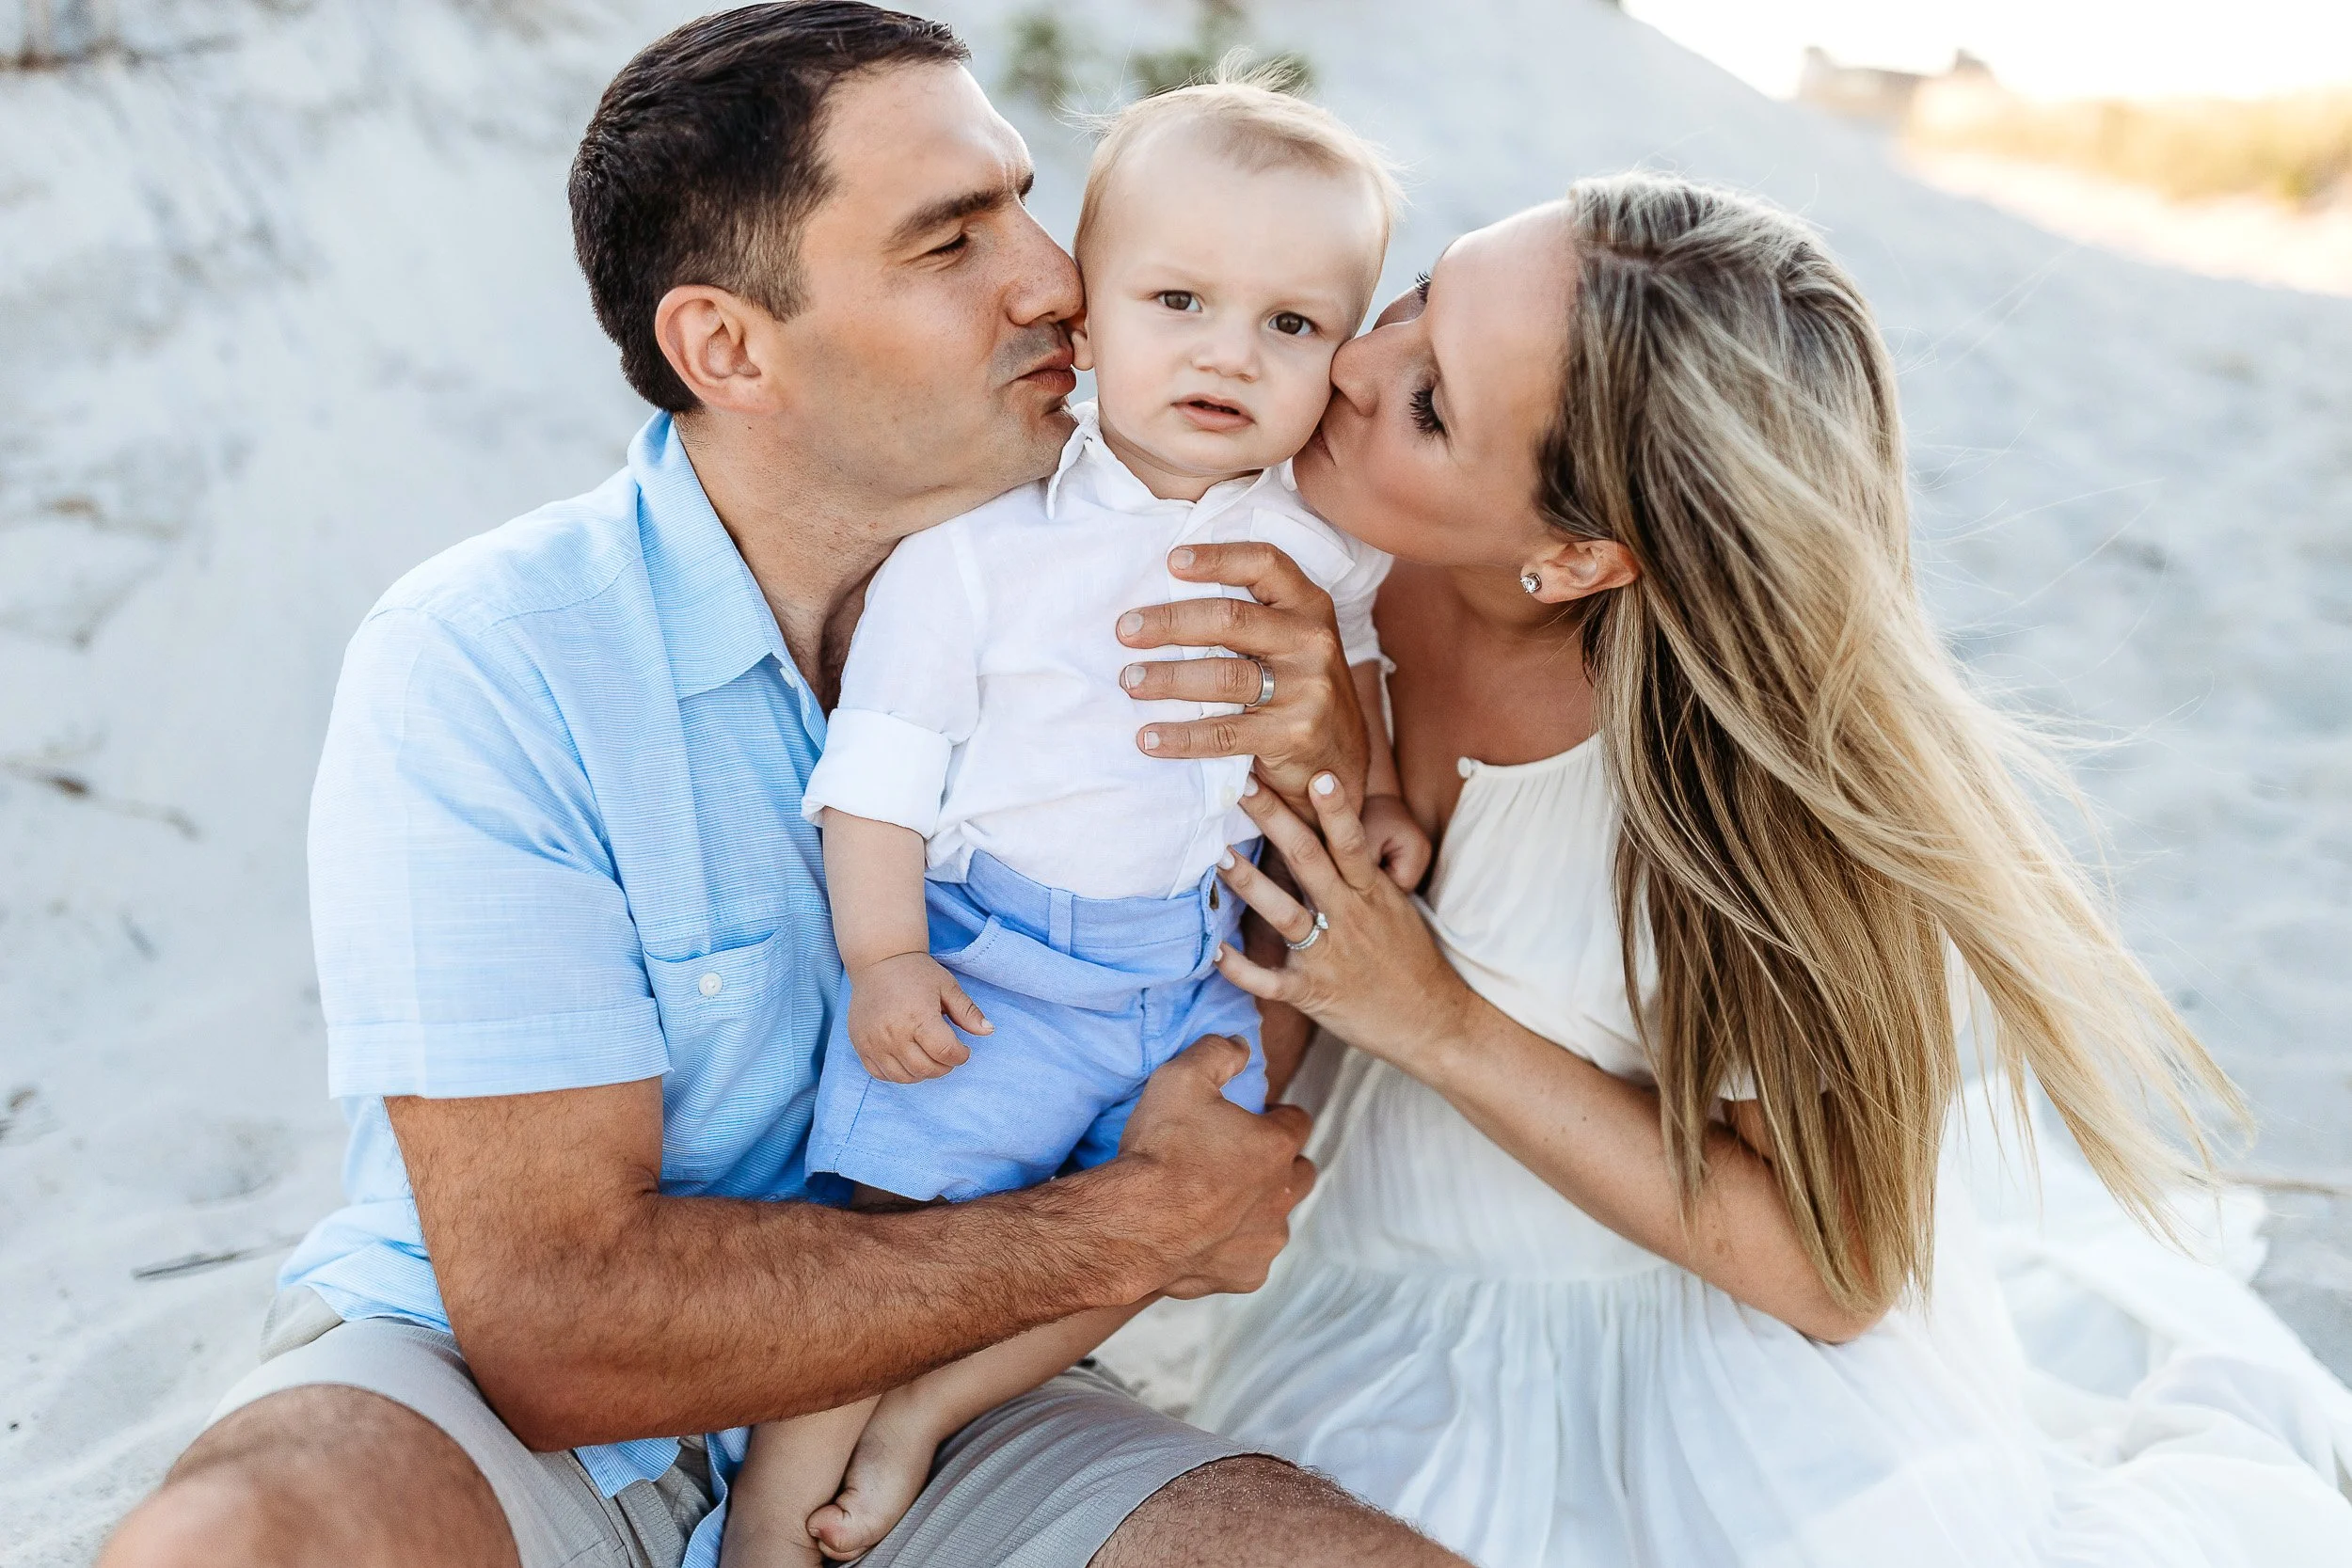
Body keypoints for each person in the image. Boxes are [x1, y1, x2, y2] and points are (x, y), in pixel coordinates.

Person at [95, 8, 1466, 1568]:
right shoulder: (489, 659)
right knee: (243, 1542)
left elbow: (1226, 1035)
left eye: (1024, 199)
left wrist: (1325, 758)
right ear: (730, 348)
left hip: (955, 1377)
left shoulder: (1174, 580)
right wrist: (1121, 1228)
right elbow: (557, 1323)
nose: (1052, 278)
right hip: (508, 1398)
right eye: (954, 241)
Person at [1188, 173, 2352, 1565]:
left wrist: (1437, 1018)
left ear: (1575, 556)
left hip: (1708, 1367)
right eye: (1424, 291)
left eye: (1433, 402)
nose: (1353, 364)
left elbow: (1837, 1272)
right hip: (1381, 1292)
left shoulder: (1748, 797)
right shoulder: (1302, 537)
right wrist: (1322, 763)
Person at [721, 75, 1427, 1568]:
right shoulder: (979, 555)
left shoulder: (1318, 548)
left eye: (1292, 325)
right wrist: (887, 958)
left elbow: (1359, 686)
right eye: (1180, 299)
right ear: (1084, 317)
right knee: (884, 1236)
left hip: (1187, 970)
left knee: (1167, 1221)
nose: (1230, 353)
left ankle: (927, 1416)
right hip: (1006, 969)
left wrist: (1373, 802)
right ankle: (768, 1537)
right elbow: (880, 775)